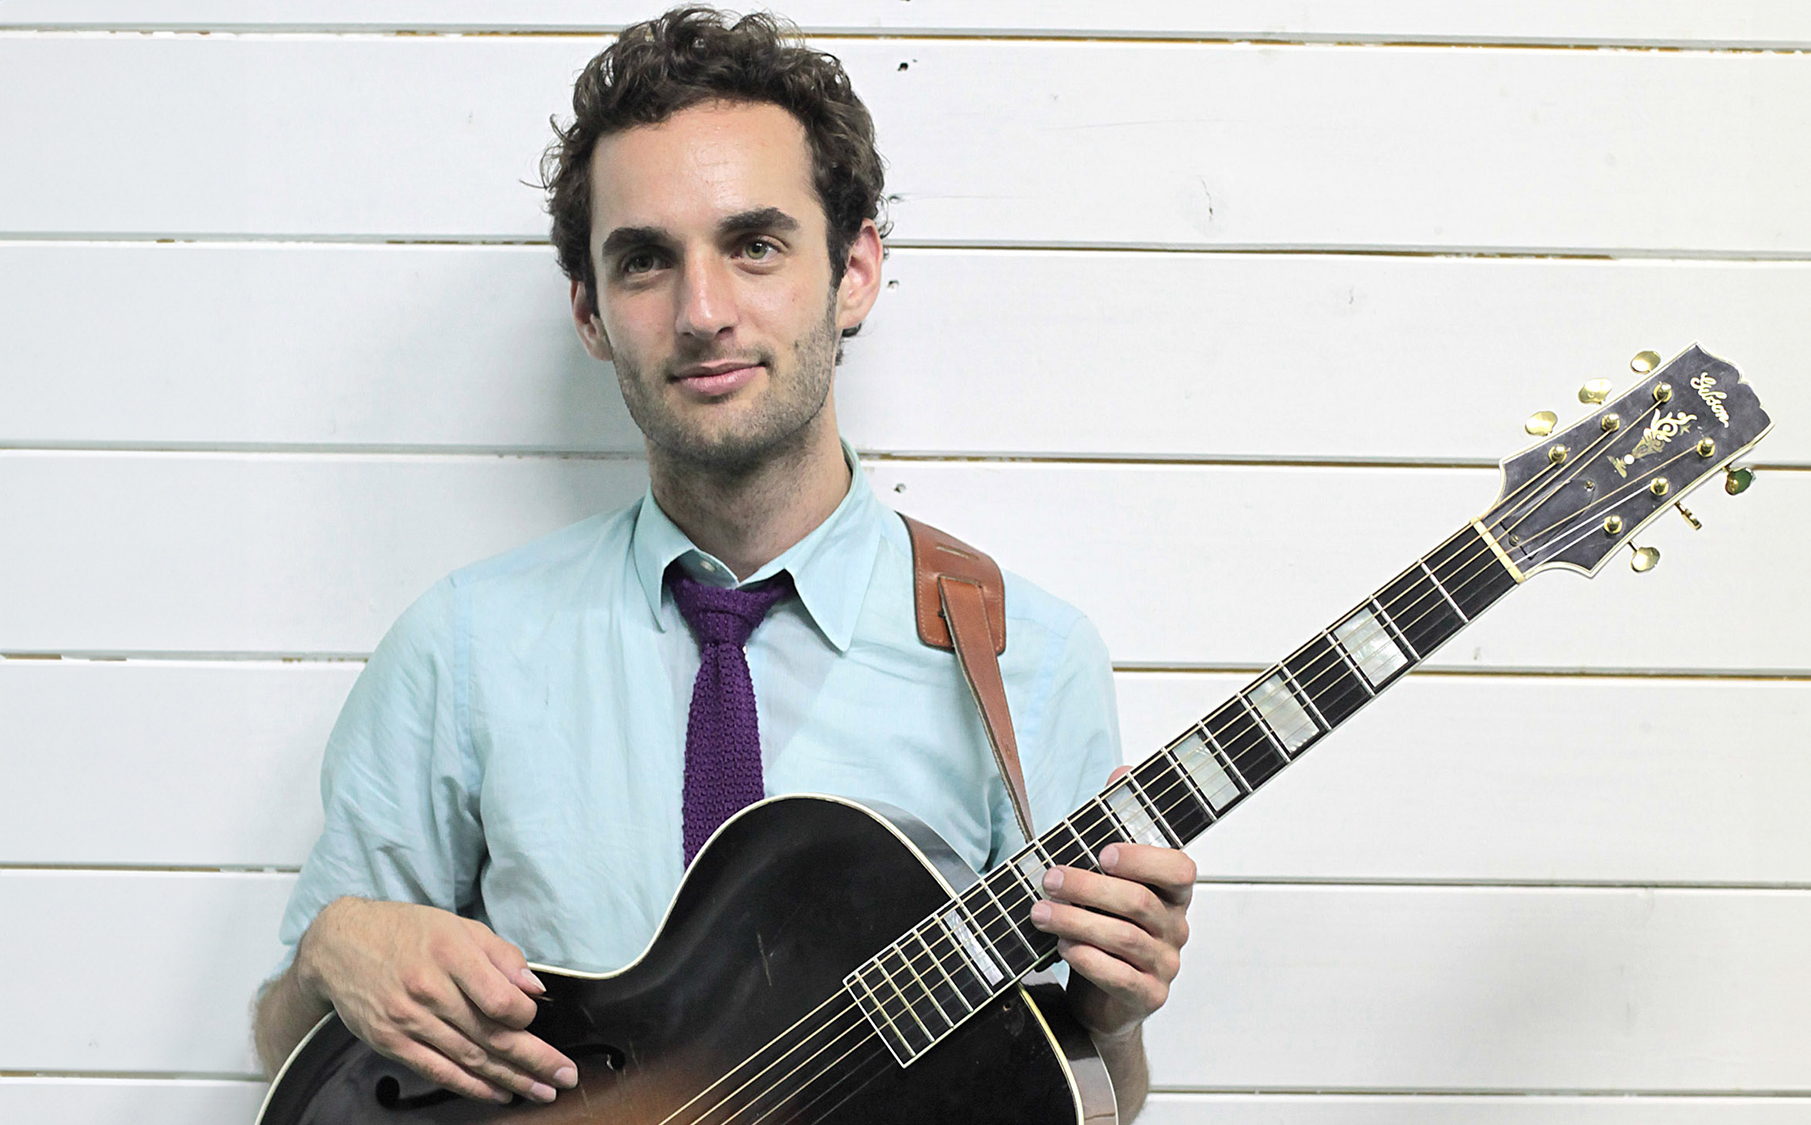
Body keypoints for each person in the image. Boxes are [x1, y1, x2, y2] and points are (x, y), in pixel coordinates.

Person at [249, 7, 1193, 1122]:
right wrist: (326, 956)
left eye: (753, 245)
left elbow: (1085, 1098)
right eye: (645, 261)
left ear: (852, 272)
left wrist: (1115, 1016)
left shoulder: (1024, 659)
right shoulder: (462, 648)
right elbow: (295, 1055)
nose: (702, 313)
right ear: (592, 315)